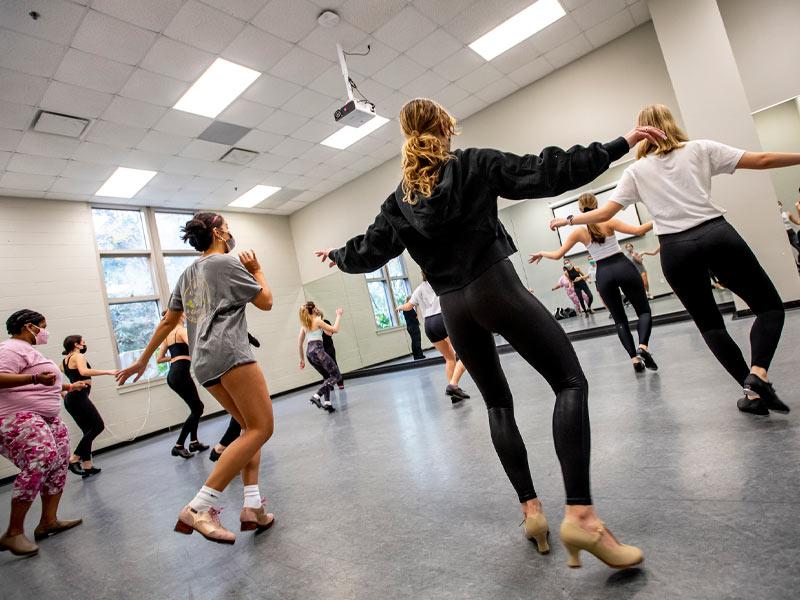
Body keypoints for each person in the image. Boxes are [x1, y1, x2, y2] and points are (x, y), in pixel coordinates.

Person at [315, 98, 663, 568]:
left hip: (454, 307)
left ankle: (532, 513)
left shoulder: (398, 201)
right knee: (569, 382)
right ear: (445, 128)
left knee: (498, 404)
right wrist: (619, 145)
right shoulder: (473, 164)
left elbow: (367, 251)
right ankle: (581, 517)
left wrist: (337, 255)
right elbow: (546, 171)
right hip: (495, 287)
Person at [551, 103, 800, 416]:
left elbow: (604, 213)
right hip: (716, 235)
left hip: (675, 250)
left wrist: (568, 219)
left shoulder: (636, 171)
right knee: (769, 307)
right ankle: (759, 372)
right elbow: (761, 159)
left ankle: (751, 393)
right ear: (670, 123)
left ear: (641, 133)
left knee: (710, 325)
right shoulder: (700, 149)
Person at [116, 212, 275, 544]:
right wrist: (256, 269)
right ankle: (200, 507)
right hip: (231, 353)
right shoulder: (226, 263)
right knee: (261, 428)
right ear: (217, 232)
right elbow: (266, 302)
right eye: (228, 228)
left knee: (248, 429)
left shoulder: (186, 273)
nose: (231, 234)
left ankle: (252, 506)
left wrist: (143, 361)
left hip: (203, 363)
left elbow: (166, 322)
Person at [531, 193, 657, 372]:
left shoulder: (579, 232)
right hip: (622, 266)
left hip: (604, 274)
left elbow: (558, 255)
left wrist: (542, 252)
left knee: (620, 320)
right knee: (643, 311)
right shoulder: (609, 221)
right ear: (597, 205)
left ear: (580, 210)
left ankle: (635, 360)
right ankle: (642, 347)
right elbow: (639, 231)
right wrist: (659, 219)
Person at [0, 309, 84, 557]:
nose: (45, 331)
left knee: (59, 460)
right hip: (14, 416)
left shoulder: (27, 350)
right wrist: (36, 378)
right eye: (42, 326)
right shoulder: (9, 348)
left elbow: (42, 380)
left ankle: (48, 521)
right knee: (42, 457)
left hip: (46, 417)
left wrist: (66, 385)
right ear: (29, 327)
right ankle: (13, 532)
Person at [396, 274, 469, 402]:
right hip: (442, 320)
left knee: (449, 358)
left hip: (429, 325)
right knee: (466, 354)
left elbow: (409, 306)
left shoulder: (419, 289)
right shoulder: (441, 281)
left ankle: (455, 393)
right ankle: (453, 385)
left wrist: (400, 307)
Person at [61, 335, 118, 477]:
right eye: (83, 342)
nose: (85, 344)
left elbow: (56, 376)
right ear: (77, 345)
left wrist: (64, 393)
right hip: (78, 396)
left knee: (87, 431)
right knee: (98, 426)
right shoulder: (77, 356)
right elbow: (84, 372)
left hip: (71, 398)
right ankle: (74, 458)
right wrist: (108, 371)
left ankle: (87, 467)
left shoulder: (64, 361)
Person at [157, 313, 209, 459]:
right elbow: (194, 347)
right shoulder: (181, 330)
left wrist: (176, 357)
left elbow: (159, 359)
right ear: (179, 316)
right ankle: (179, 445)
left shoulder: (167, 335)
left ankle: (194, 442)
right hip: (180, 373)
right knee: (197, 408)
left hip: (173, 374)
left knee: (197, 408)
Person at [298, 302, 343, 413]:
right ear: (313, 309)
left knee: (327, 376)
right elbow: (335, 329)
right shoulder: (317, 321)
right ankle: (317, 396)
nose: (317, 308)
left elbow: (299, 344)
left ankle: (327, 403)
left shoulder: (305, 324)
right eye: (315, 307)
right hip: (318, 351)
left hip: (309, 353)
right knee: (336, 376)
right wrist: (338, 315)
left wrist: (302, 360)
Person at [319, 311, 344, 389]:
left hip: (329, 347)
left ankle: (340, 382)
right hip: (320, 349)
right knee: (324, 367)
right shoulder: (313, 326)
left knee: (333, 364)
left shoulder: (325, 322)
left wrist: (321, 325)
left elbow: (330, 333)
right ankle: (329, 385)